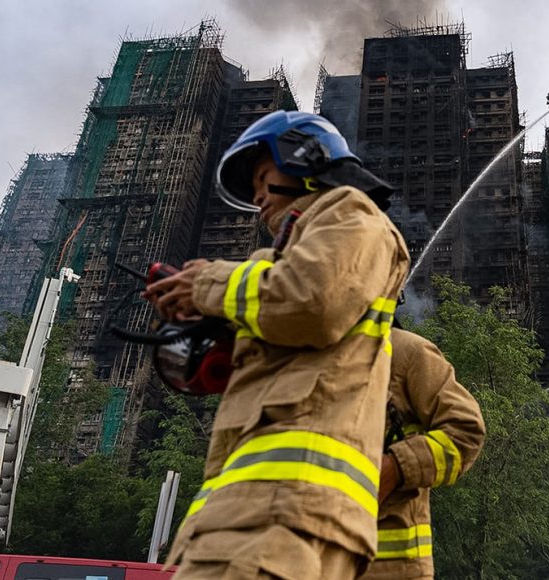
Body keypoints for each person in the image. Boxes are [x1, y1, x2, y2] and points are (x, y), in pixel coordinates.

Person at [146, 111, 409, 579]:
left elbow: (315, 300)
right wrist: (213, 324)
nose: (258, 196)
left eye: (265, 178)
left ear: (306, 159)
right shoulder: (279, 263)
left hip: (280, 514)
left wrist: (208, 282)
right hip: (258, 513)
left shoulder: (350, 213)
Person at [364, 327, 486, 580]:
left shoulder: (406, 353)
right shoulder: (279, 365)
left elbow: (465, 432)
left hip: (390, 569)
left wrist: (396, 468)